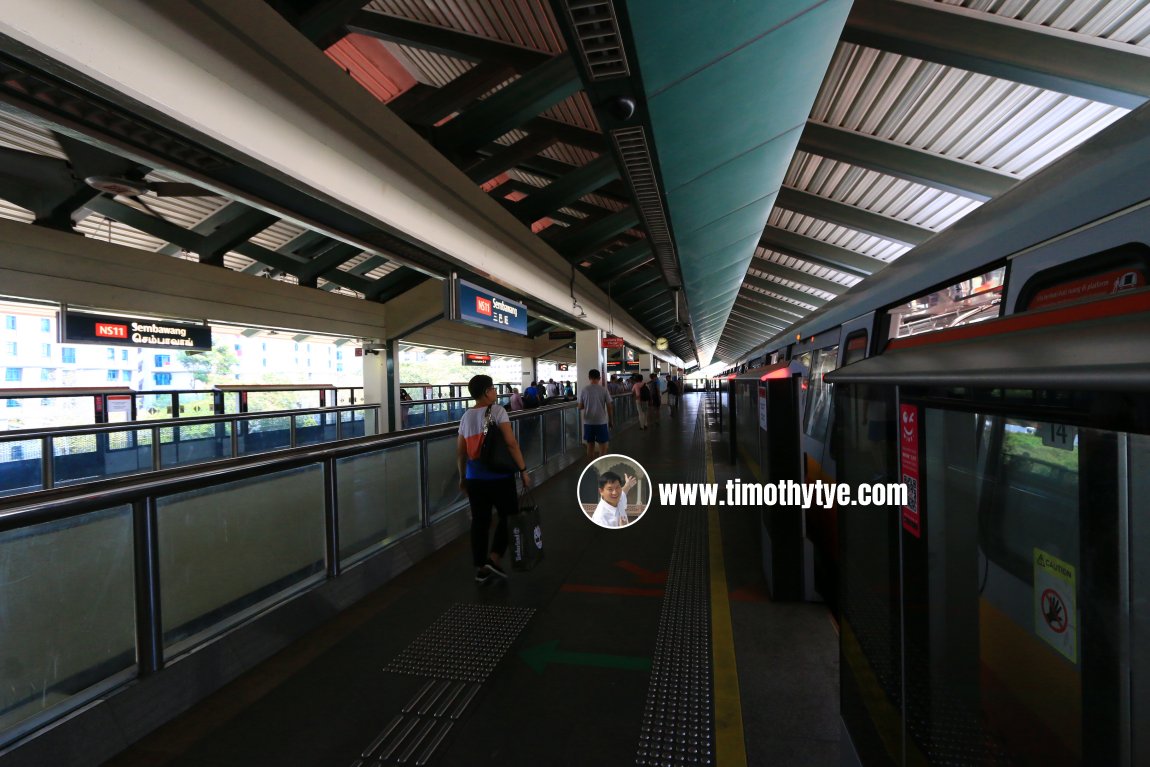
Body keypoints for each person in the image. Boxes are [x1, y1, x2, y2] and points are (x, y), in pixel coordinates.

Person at [456, 374, 532, 584]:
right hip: (499, 476)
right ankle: (494, 557)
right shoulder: (497, 411)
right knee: (510, 515)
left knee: (480, 522)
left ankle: (481, 567)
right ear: (486, 392)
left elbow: (461, 453)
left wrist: (463, 477)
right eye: (493, 389)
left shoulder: (465, 417)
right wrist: (523, 470)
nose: (496, 393)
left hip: (475, 478)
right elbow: (511, 443)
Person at [578, 368, 613, 459]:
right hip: (601, 421)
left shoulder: (584, 390)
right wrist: (611, 420)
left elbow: (580, 407)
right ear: (599, 378)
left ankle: (590, 466)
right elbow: (609, 406)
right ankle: (600, 465)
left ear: (589, 377)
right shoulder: (604, 390)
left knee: (590, 445)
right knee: (603, 446)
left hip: (588, 422)